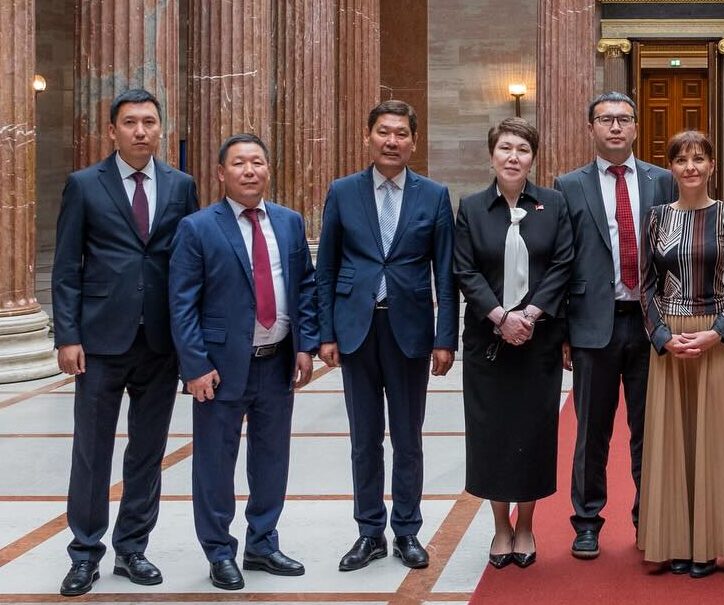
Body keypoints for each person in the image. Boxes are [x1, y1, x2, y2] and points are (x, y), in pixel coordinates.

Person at [51, 88, 199, 597]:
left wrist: (191, 340)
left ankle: (132, 548)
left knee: (147, 451)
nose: (141, 131)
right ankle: (85, 552)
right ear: (112, 131)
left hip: (160, 342)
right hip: (99, 341)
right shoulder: (85, 185)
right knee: (91, 451)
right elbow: (67, 267)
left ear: (161, 129)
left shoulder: (182, 186)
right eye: (131, 122)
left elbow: (190, 265)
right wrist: (67, 335)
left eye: (150, 122)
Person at [169, 133, 318, 590]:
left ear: (268, 170)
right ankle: (219, 550)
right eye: (239, 163)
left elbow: (306, 287)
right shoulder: (198, 227)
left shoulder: (290, 223)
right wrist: (194, 365)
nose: (249, 170)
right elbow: (181, 303)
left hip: (276, 363)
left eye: (257, 162)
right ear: (221, 173)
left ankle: (263, 542)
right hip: (219, 366)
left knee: (272, 458)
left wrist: (305, 345)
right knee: (215, 461)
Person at [316, 100, 458, 572]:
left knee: (408, 436)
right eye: (383, 132)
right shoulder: (342, 191)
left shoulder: (434, 195)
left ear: (413, 142)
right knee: (364, 438)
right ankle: (369, 532)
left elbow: (445, 272)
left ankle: (408, 531)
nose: (392, 141)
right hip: (356, 328)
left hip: (410, 332)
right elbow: (326, 267)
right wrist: (326, 332)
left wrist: (445, 338)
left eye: (401, 133)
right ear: (368, 136)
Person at [552, 91, 676, 559]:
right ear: (591, 129)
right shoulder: (568, 185)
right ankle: (587, 521)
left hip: (651, 326)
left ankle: (650, 519)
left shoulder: (661, 181)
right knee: (592, 433)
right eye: (606, 120)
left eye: (625, 119)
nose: (616, 127)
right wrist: (562, 330)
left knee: (651, 431)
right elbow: (561, 262)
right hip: (591, 327)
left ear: (637, 127)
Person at [453, 118, 574, 569]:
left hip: (538, 342)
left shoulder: (555, 204)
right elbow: (464, 270)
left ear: (532, 158)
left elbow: (563, 263)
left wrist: (530, 315)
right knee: (493, 435)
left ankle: (526, 526)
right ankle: (500, 527)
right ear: (491, 156)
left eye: (522, 149)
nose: (513, 157)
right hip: (489, 342)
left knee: (533, 434)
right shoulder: (471, 207)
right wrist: (501, 316)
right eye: (505, 148)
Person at [636, 131, 724, 579]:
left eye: (699, 158)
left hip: (715, 342)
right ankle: (675, 541)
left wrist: (716, 333)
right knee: (672, 442)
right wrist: (662, 335)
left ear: (711, 167)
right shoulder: (656, 217)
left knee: (714, 442)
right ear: (670, 167)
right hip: (670, 341)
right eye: (681, 159)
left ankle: (708, 544)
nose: (690, 166)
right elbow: (645, 284)